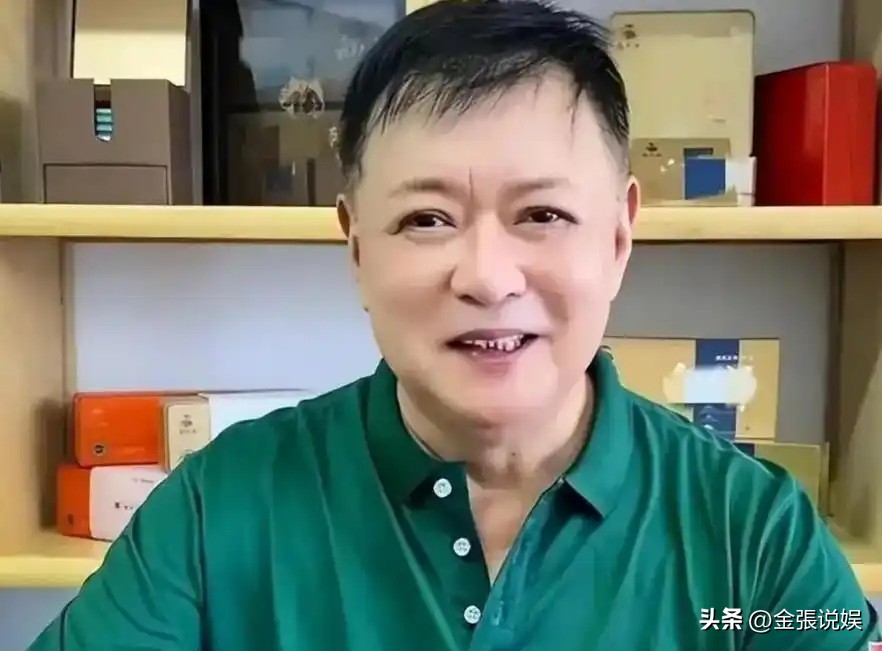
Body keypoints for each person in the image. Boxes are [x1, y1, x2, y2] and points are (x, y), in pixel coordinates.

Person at [29, 1, 880, 649]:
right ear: (356, 246)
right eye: (427, 220)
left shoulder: (753, 536)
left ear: (620, 238)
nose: (487, 277)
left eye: (542, 214)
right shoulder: (218, 510)